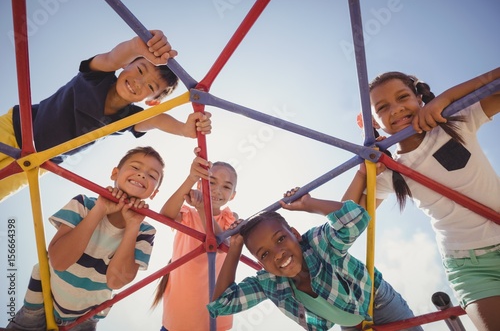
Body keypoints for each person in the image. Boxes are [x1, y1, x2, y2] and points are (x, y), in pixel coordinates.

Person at [346, 67, 500, 330]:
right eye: (382, 107)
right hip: (470, 266)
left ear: (419, 98)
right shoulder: (389, 171)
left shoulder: (456, 121)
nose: (395, 110)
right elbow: (346, 223)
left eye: (403, 97)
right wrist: (362, 173)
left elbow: (492, 81)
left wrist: (445, 99)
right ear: (371, 122)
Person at [0, 29, 212, 202]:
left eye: (150, 85)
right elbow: (111, 58)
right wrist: (137, 46)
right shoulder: (96, 76)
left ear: (152, 100)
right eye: (139, 70)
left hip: (34, 163)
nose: (138, 83)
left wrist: (185, 130)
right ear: (126, 65)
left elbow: (157, 120)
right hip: (14, 128)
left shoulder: (127, 118)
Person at [207, 187, 423, 331]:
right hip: (351, 325)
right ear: (260, 264)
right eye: (264, 254)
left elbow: (356, 219)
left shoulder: (318, 244)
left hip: (380, 303)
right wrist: (235, 248)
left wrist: (310, 204)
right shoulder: (269, 283)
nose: (278, 253)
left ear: (296, 234)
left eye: (281, 238)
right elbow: (221, 304)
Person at [4, 146, 165, 331]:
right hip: (40, 302)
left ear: (154, 193)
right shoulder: (84, 204)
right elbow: (59, 261)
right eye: (135, 167)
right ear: (115, 173)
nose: (142, 175)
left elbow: (116, 282)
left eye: (152, 176)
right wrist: (99, 210)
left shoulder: (144, 230)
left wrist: (133, 225)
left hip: (85, 317)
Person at [152, 149, 238, 331]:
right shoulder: (188, 214)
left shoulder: (230, 218)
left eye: (226, 186)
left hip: (214, 320)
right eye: (211, 182)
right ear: (200, 185)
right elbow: (165, 214)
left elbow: (222, 244)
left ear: (233, 195)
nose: (217, 190)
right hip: (179, 317)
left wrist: (202, 209)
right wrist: (191, 178)